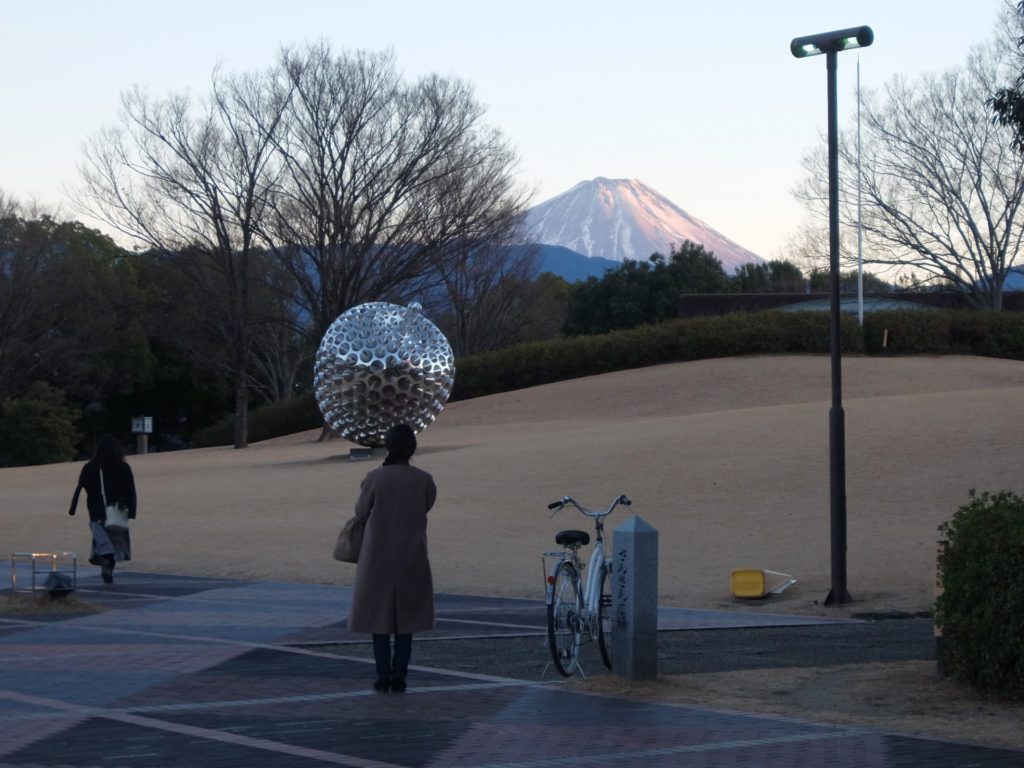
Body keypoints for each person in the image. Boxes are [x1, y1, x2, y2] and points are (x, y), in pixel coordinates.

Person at [347, 424, 437, 693]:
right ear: (412, 449)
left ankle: (382, 674)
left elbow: (361, 512)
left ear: (388, 446)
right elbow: (427, 505)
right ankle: (400, 674)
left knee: (379, 619)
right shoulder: (424, 479)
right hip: (412, 554)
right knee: (406, 620)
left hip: (377, 556)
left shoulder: (374, 478)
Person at [68, 434, 137, 584]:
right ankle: (108, 569)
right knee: (113, 542)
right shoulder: (123, 467)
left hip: (96, 511)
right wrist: (131, 510)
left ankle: (104, 560)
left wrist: (72, 509)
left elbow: (80, 488)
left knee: (102, 541)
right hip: (117, 511)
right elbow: (130, 490)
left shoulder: (89, 467)